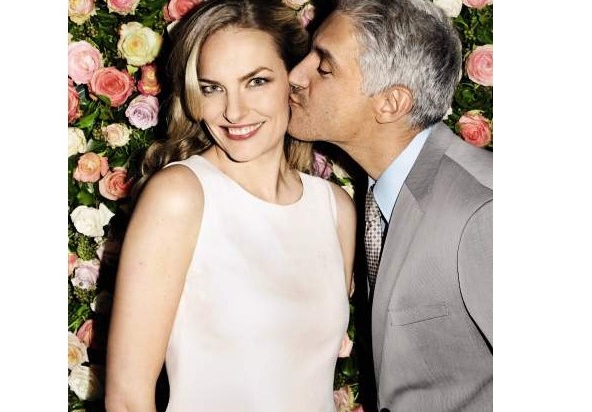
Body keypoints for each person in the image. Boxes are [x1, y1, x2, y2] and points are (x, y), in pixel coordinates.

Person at [104, 0, 356, 411]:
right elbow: (128, 398)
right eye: (212, 88)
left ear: (293, 80)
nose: (234, 112)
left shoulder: (334, 209)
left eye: (256, 81)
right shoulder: (180, 197)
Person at [287, 0, 493, 411]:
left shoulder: (483, 210)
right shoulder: (385, 187)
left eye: (324, 67)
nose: (295, 75)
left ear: (391, 103)